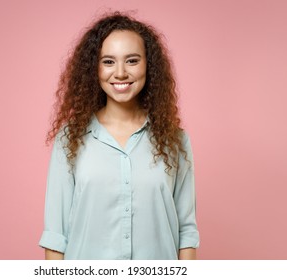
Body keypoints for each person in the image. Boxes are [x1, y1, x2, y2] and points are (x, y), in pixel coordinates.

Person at [39, 12, 200, 260]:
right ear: (94, 68)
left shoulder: (175, 140)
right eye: (108, 62)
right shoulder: (70, 139)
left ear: (149, 65)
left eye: (132, 60)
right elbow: (55, 236)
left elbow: (186, 232)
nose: (121, 73)